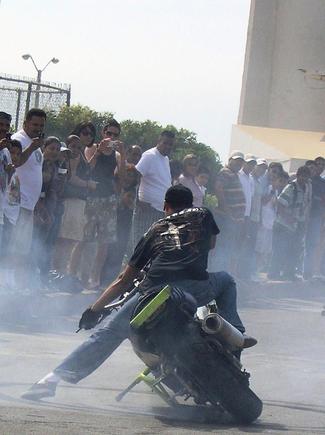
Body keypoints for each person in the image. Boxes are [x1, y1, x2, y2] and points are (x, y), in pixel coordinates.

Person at [22, 185, 256, 400]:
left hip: (153, 292)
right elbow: (212, 244)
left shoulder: (154, 229)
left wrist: (94, 310)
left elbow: (124, 279)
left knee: (108, 333)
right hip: (194, 288)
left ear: (166, 206)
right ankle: (236, 337)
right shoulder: (203, 214)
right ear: (191, 202)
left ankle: (50, 381)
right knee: (226, 280)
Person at [83, 120, 126, 289]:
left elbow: (121, 176)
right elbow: (88, 169)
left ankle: (95, 277)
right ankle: (83, 275)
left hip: (109, 199)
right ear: (103, 133)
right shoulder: (93, 148)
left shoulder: (116, 155)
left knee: (104, 241)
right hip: (92, 197)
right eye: (109, 133)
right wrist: (99, 152)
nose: (111, 137)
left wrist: (123, 155)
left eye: (115, 135)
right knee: (87, 238)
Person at [10, 108, 46, 288]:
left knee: (23, 249)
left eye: (41, 125)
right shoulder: (19, 140)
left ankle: (18, 286)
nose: (37, 128)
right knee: (15, 248)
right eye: (34, 124)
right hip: (18, 204)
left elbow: (35, 173)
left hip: (30, 205)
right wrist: (32, 148)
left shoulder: (36, 144)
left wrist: (38, 201)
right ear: (25, 124)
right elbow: (16, 162)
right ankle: (11, 286)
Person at [130, 130, 174, 251]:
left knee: (154, 250)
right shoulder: (150, 155)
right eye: (165, 143)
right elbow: (136, 176)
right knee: (141, 249)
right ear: (158, 141)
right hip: (147, 209)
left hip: (161, 211)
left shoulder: (165, 160)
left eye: (170, 144)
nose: (168, 146)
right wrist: (138, 201)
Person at [268, 166, 312, 280]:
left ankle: (288, 273)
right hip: (283, 225)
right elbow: (280, 205)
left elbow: (304, 206)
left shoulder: (306, 188)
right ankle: (273, 274)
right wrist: (289, 218)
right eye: (302, 176)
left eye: (306, 176)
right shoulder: (291, 187)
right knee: (279, 250)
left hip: (295, 226)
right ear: (297, 175)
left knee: (293, 250)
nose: (304, 178)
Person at [214, 150, 246, 273]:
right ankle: (218, 273)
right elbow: (218, 188)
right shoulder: (225, 172)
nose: (239, 163)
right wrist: (227, 211)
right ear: (230, 160)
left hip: (234, 219)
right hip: (227, 218)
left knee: (229, 246)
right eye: (236, 160)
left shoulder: (234, 174)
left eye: (240, 162)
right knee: (223, 247)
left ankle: (223, 273)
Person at [303, 158, 325, 279]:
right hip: (303, 216)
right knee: (300, 243)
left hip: (316, 218)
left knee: (312, 244)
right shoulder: (305, 181)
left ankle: (307, 271)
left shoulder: (322, 183)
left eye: (323, 165)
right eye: (318, 164)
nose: (320, 167)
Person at [0, 111, 12, 253]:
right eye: (0, 124)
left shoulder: (6, 151)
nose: (4, 128)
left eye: (7, 125)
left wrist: (10, 172)